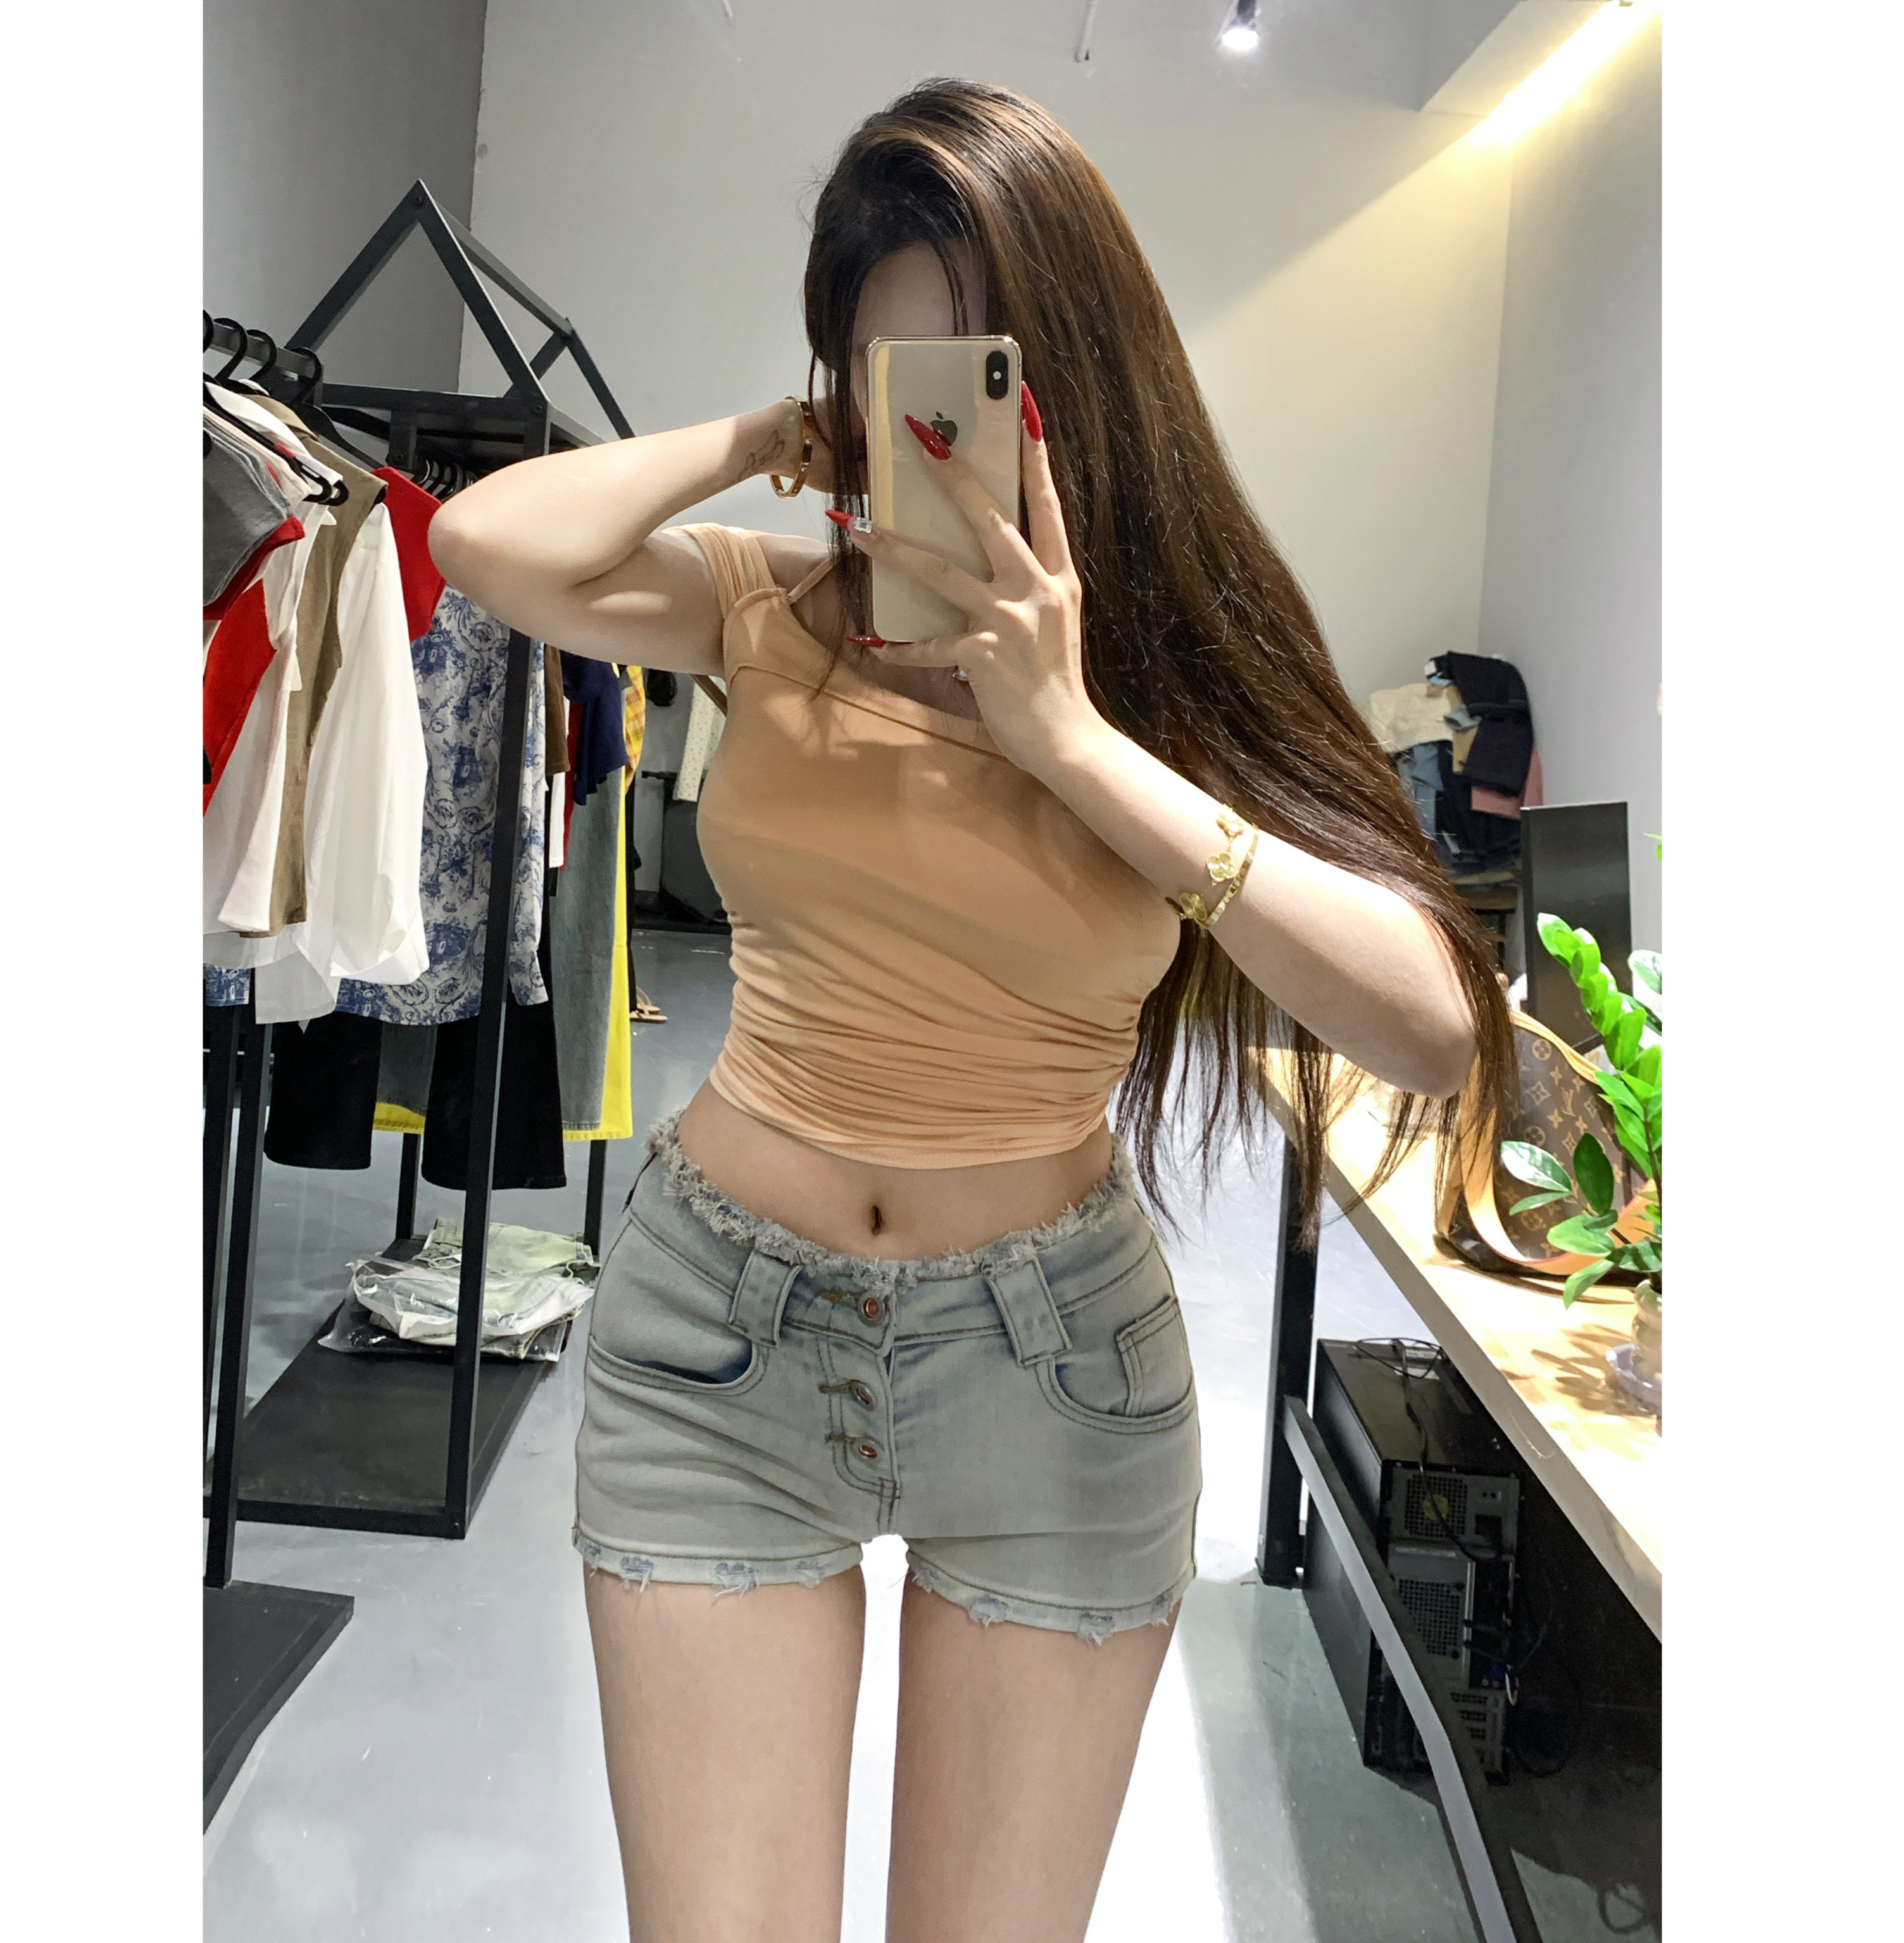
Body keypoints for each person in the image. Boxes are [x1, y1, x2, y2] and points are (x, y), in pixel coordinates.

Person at [430, 77, 1508, 1943]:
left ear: (1078, 384)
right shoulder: (772, 609)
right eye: (894, 383)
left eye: (979, 380)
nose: (938, 432)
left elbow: (1429, 1024)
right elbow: (487, 547)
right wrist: (764, 435)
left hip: (1054, 1375)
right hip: (715, 1344)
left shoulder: (1168, 686)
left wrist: (1068, 738)